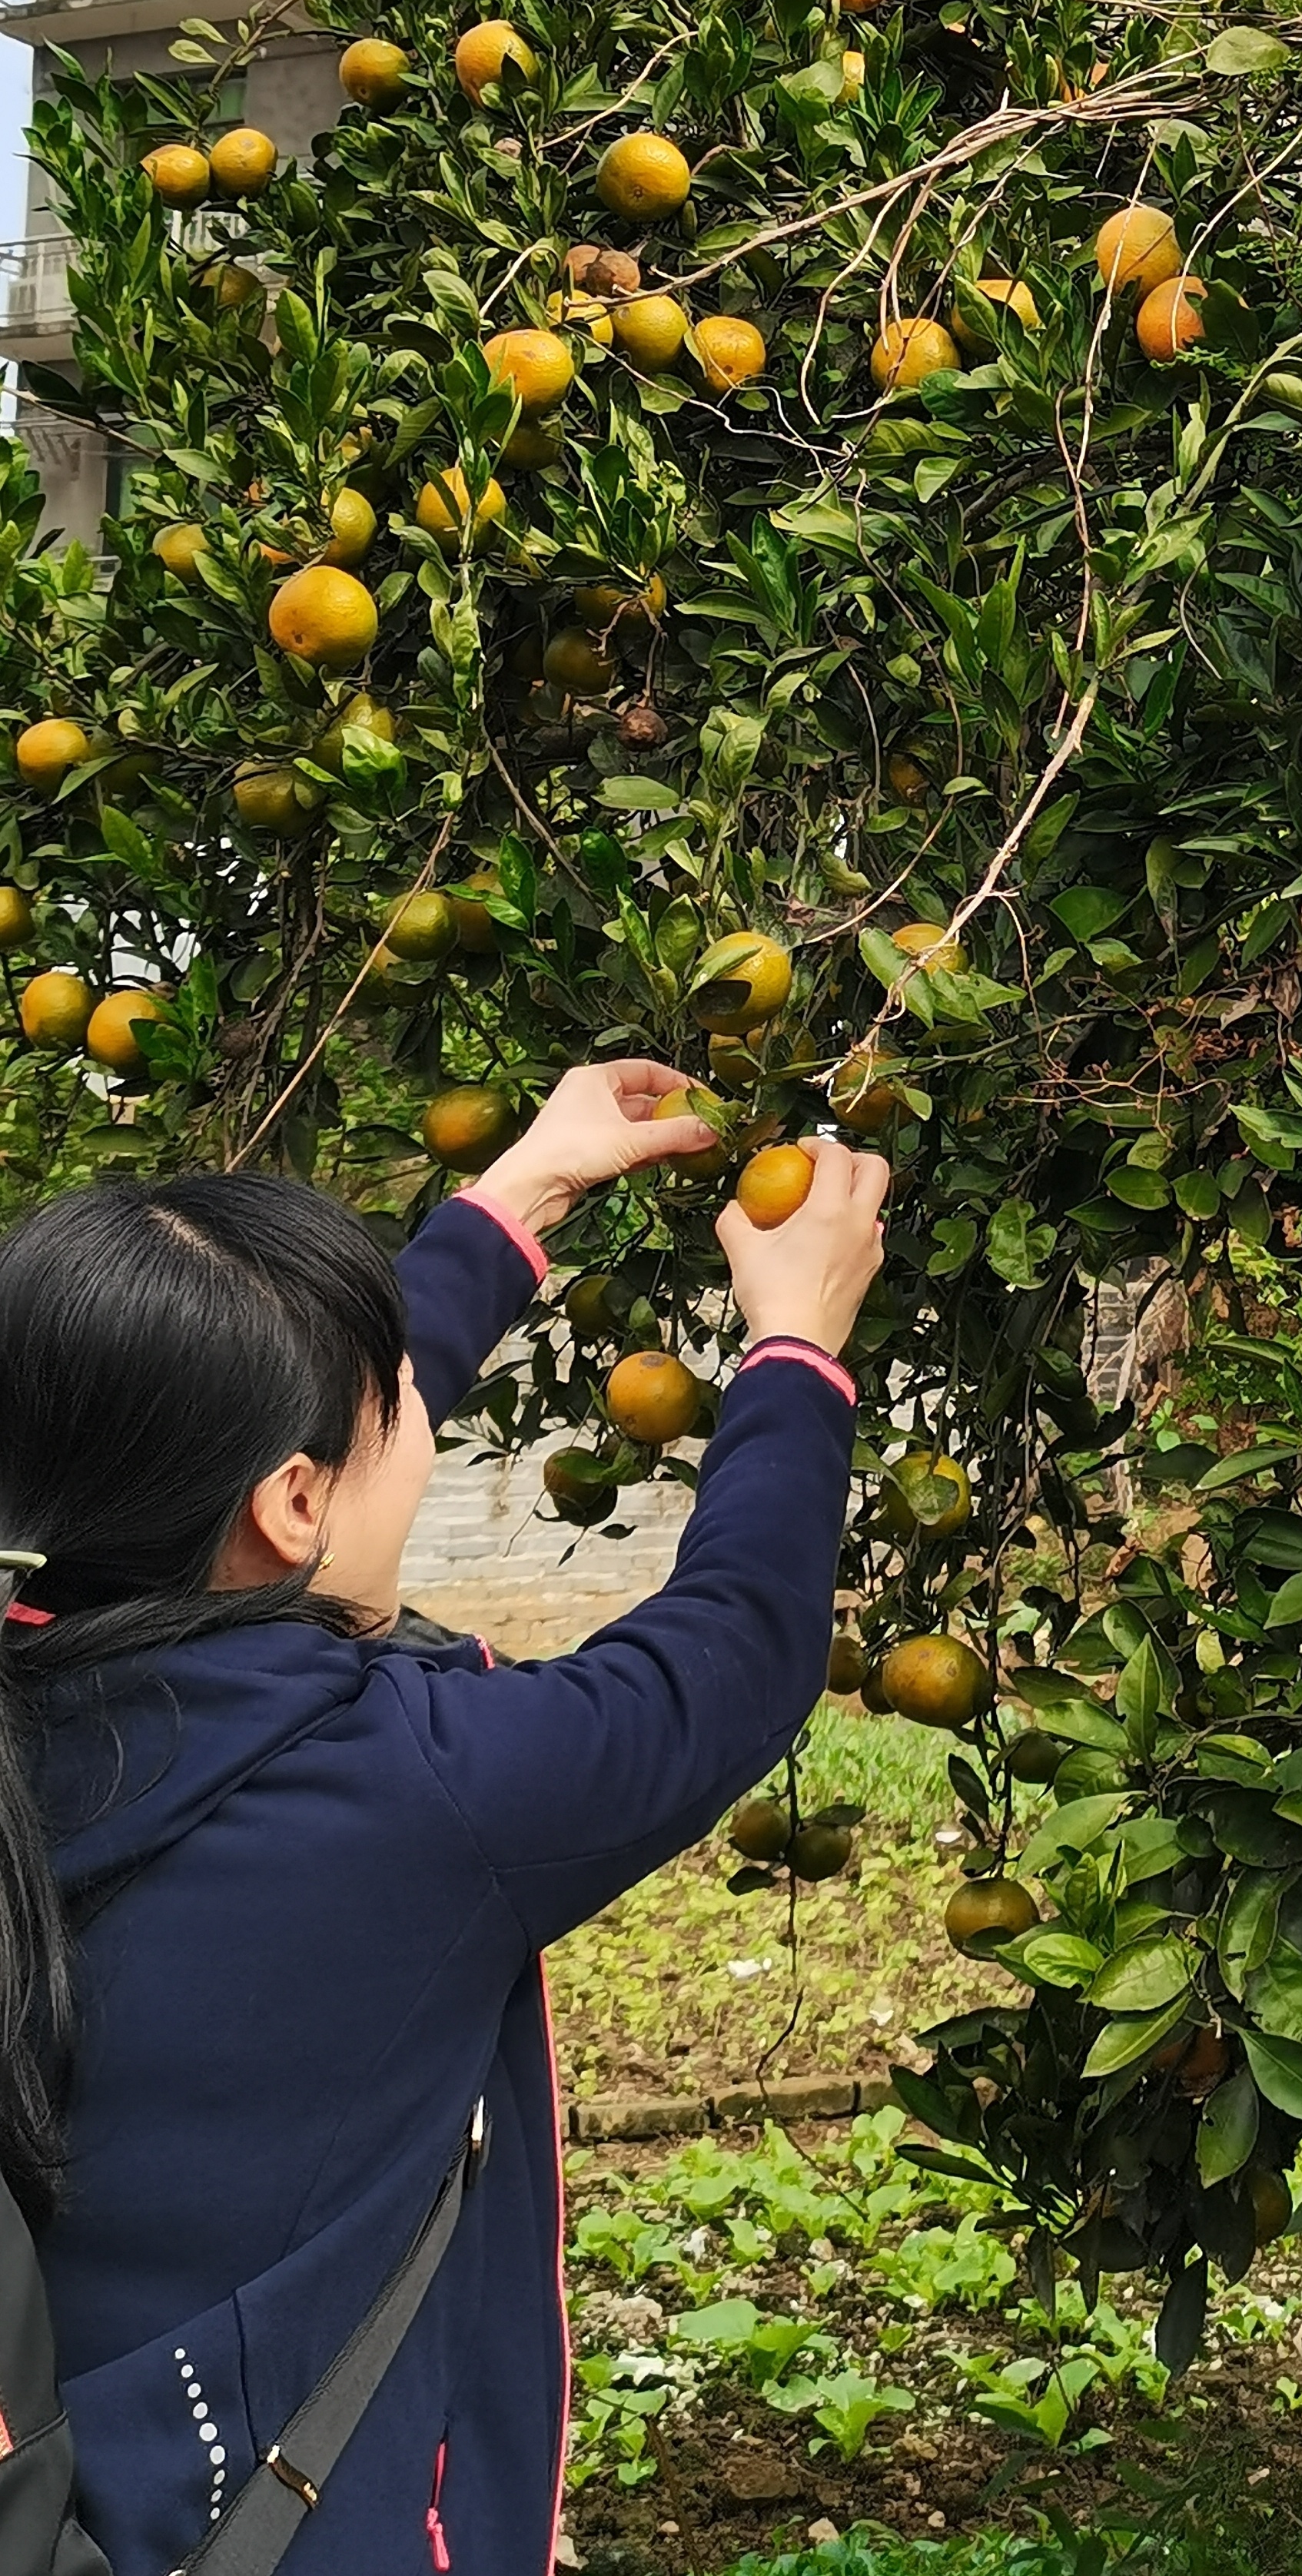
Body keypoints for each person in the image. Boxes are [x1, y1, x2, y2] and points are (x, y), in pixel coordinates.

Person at [0, 1058, 886, 2573]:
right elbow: (728, 1659)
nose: (425, 1402)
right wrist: (797, 1348)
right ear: (289, 1505)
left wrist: (528, 1187)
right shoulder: (411, 1801)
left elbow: (274, 1414)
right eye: (404, 1396)